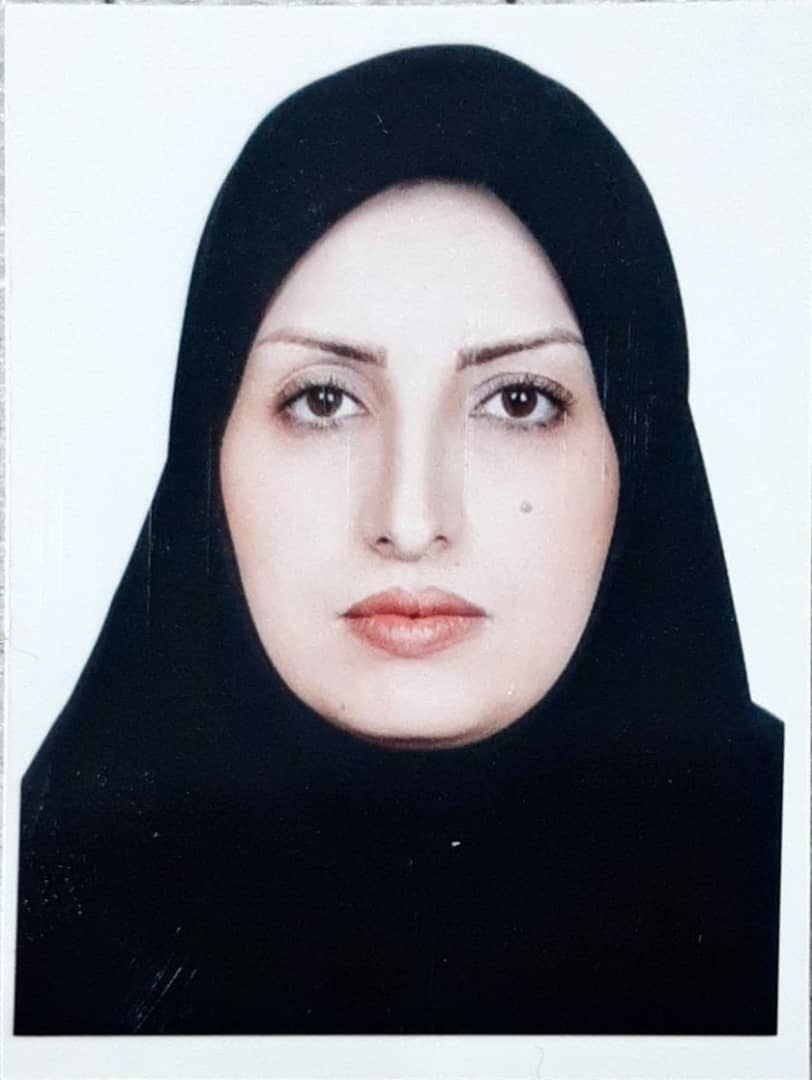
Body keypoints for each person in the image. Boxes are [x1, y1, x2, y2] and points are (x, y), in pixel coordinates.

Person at [15, 44, 783, 1035]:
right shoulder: (42, 899)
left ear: (638, 456)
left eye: (518, 401)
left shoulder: (784, 876)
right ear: (207, 452)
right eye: (322, 400)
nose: (412, 520)